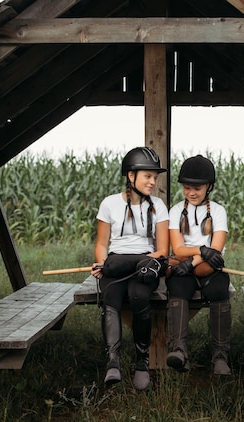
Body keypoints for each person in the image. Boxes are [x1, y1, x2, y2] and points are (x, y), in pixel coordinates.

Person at [90, 146, 169, 391]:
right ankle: (112, 361)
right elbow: (102, 244)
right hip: (115, 263)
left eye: (155, 177)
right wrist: (102, 264)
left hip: (145, 263)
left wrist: (144, 260)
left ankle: (141, 362)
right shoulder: (109, 204)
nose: (153, 182)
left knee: (139, 295)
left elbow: (163, 250)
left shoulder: (158, 206)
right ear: (131, 176)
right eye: (148, 176)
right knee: (111, 295)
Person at [166, 154, 232, 376]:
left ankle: (220, 355)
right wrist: (201, 250)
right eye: (186, 187)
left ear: (209, 186)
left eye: (197, 188)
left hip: (206, 267)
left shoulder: (219, 211)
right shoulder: (176, 211)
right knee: (177, 287)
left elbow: (216, 250)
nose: (191, 193)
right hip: (185, 266)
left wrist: (194, 258)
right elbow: (177, 248)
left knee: (218, 288)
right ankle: (179, 349)